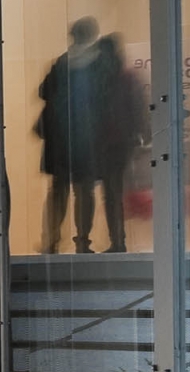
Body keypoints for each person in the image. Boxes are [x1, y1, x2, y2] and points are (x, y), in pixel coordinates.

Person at [36, 18, 137, 252]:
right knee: (84, 190)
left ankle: (51, 241)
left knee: (59, 191)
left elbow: (43, 91)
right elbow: (107, 100)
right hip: (88, 138)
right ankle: (82, 241)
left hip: (60, 140)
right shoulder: (102, 64)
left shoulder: (61, 63)